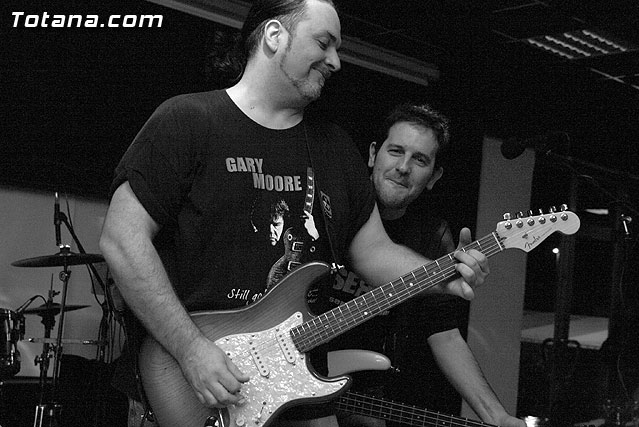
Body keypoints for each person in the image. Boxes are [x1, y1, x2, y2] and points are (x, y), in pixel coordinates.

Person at [98, 1, 489, 426]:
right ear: (274, 36)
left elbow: (375, 251)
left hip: (293, 393)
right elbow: (122, 240)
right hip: (183, 383)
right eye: (324, 43)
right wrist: (191, 349)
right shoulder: (188, 120)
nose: (335, 61)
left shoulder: (335, 149)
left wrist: (441, 275)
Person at [311, 103, 524, 427]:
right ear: (373, 154)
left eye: (420, 159)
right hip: (292, 368)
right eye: (396, 151)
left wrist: (498, 416)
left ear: (434, 176)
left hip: (363, 391)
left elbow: (444, 335)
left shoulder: (431, 236)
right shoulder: (332, 205)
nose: (403, 167)